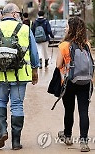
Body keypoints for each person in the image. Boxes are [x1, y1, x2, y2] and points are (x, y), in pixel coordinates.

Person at [0, 3, 39, 150]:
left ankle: (2, 130)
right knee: (17, 105)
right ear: (14, 14)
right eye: (18, 13)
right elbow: (33, 52)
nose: (19, 15)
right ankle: (16, 142)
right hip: (20, 75)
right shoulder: (25, 29)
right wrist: (35, 70)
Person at [56, 16, 92, 152]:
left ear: (71, 29)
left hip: (69, 82)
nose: (65, 28)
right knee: (84, 111)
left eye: (67, 26)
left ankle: (68, 136)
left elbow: (58, 64)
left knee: (69, 110)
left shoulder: (64, 45)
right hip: (85, 81)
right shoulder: (87, 44)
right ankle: (84, 142)